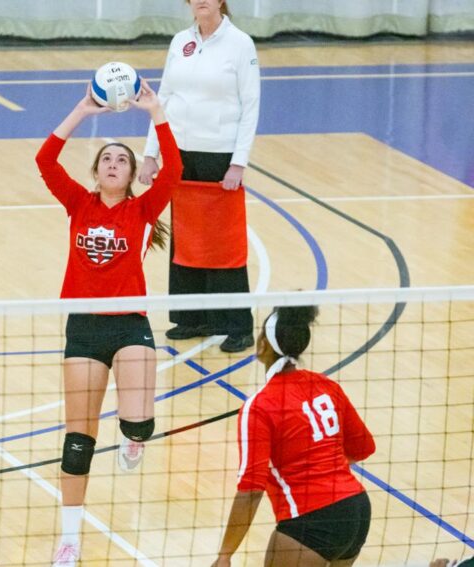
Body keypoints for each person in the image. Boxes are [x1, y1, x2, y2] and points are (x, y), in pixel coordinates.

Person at [35, 81, 182, 567]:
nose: (114, 163)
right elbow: (45, 161)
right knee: (78, 441)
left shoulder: (143, 210)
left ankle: (133, 436)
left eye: (122, 159)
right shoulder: (79, 203)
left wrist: (155, 111)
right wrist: (81, 108)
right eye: (107, 159)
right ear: (96, 174)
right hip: (84, 328)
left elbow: (175, 170)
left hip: (129, 325)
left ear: (131, 173)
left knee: (139, 424)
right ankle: (70, 537)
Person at [139, 0, 261, 352]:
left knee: (223, 243)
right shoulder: (180, 41)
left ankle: (237, 325)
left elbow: (251, 104)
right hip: (179, 154)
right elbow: (163, 98)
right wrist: (151, 153)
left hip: (220, 154)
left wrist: (239, 161)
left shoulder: (240, 44)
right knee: (186, 236)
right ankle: (192, 317)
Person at [212, 306, 376, 566]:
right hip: (356, 510)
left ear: (262, 344)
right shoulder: (326, 386)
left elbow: (251, 490)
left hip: (310, 520)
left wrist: (225, 555)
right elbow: (363, 447)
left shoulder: (258, 407)